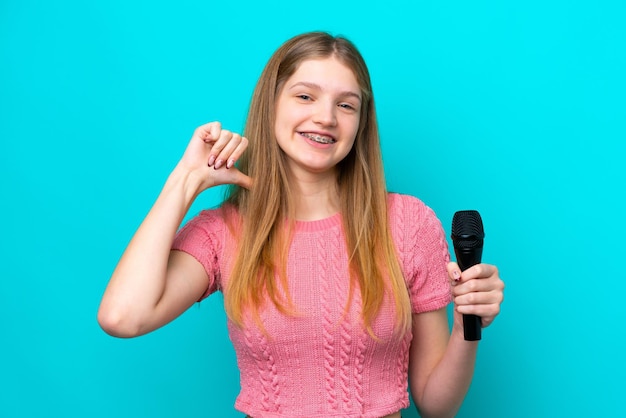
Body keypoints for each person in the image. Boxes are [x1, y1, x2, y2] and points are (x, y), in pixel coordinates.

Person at [98, 31, 504, 418]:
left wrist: (468, 327)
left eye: (346, 105)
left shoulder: (409, 223)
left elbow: (438, 406)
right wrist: (183, 182)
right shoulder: (225, 231)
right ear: (271, 105)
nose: (325, 117)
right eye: (305, 96)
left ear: (361, 123)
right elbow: (122, 317)